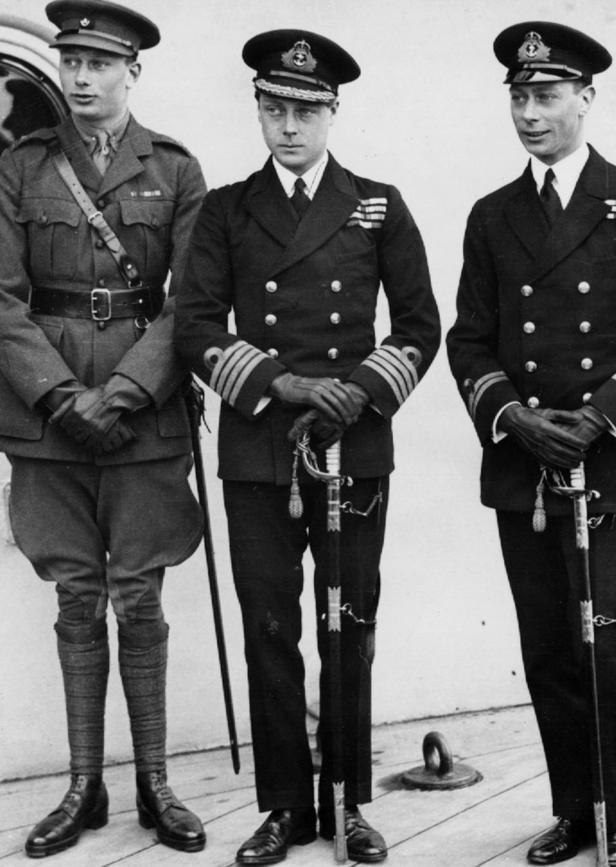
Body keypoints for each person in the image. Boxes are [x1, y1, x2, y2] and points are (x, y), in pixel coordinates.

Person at [174, 28, 440, 865]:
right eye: (274, 108)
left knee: (348, 624)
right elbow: (195, 324)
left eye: (305, 110)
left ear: (334, 112)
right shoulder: (225, 208)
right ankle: (287, 803)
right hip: (260, 447)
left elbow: (422, 324)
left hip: (352, 448)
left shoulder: (379, 204)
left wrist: (355, 391)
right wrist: (281, 384)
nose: (288, 126)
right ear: (256, 109)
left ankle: (349, 800)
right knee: (268, 626)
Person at [0, 0, 207, 857]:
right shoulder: (20, 168)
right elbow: (1, 301)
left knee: (141, 593)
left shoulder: (178, 169)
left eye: (98, 63)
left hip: (141, 414)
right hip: (44, 415)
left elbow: (191, 303)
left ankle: (154, 782)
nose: (81, 78)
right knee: (76, 595)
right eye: (72, 62)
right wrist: (56, 397)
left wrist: (120, 393)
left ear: (132, 73)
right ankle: (83, 785)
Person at [447, 21, 616, 867]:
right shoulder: (493, 216)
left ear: (586, 99)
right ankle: (576, 811)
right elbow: (471, 341)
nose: (531, 113)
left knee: (603, 639)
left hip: (615, 459)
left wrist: (600, 414)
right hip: (525, 469)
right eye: (520, 98)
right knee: (548, 647)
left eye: (547, 96)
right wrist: (513, 417)